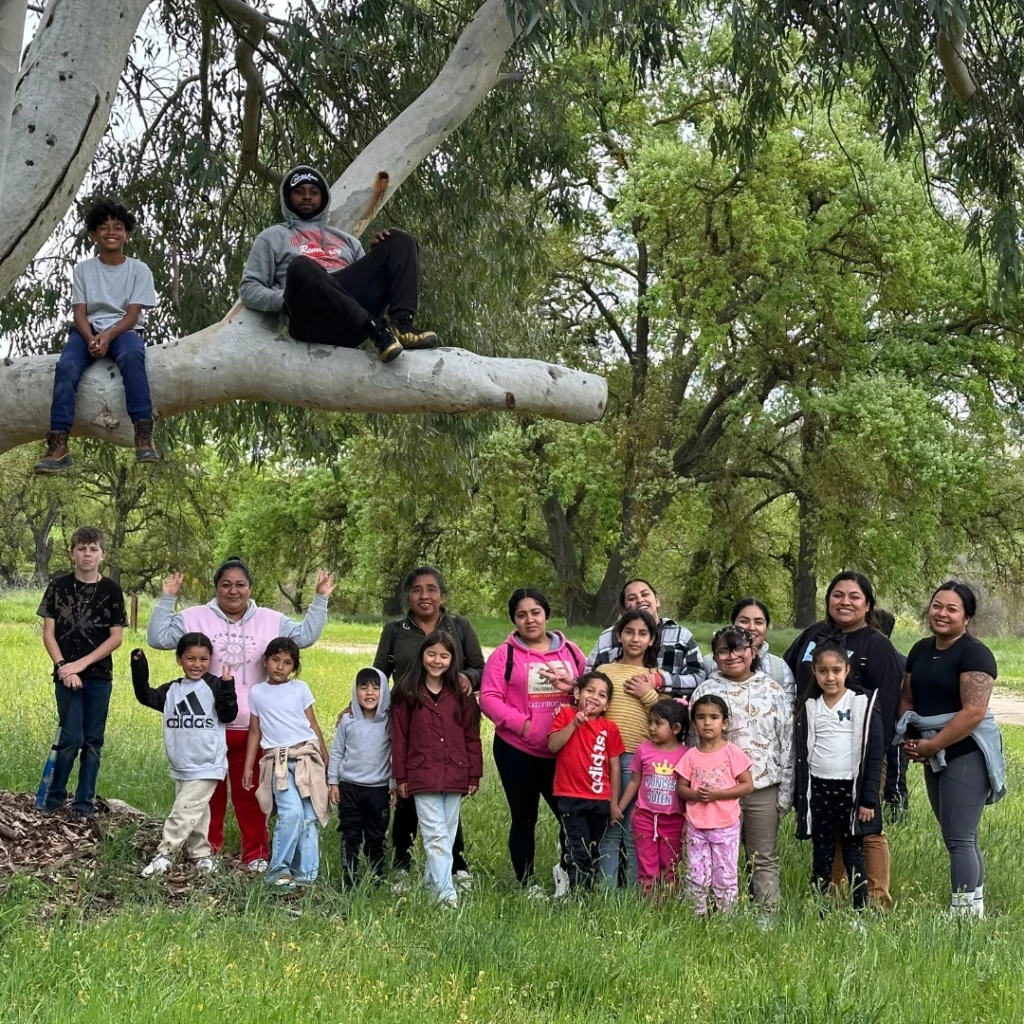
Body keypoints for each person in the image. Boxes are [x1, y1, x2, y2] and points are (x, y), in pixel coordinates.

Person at [147, 558, 332, 871]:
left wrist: (320, 598)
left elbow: (305, 636)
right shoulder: (195, 617)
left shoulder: (271, 620)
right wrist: (167, 598)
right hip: (209, 727)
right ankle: (208, 852)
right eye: (225, 584)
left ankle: (256, 854)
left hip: (255, 728)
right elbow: (157, 638)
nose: (233, 591)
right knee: (210, 795)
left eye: (240, 584)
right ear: (216, 587)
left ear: (250, 588)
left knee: (251, 794)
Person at [784, 571, 904, 908]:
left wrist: (879, 756)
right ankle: (835, 894)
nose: (845, 602)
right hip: (821, 753)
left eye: (854, 596)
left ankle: (877, 898)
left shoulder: (877, 646)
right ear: (828, 601)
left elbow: (889, 703)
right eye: (838, 595)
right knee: (832, 826)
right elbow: (788, 674)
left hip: (864, 753)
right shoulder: (813, 636)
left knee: (866, 822)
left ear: (867, 604)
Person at [239, 164, 437, 362]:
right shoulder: (272, 237)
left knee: (399, 240)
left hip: (352, 323)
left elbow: (364, 286)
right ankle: (375, 329)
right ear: (288, 198)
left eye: (314, 192)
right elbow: (249, 289)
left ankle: (402, 325)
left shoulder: (348, 240)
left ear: (323, 198)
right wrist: (286, 300)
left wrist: (380, 254)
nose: (307, 196)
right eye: (299, 192)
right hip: (312, 319)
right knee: (301, 266)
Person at [897, 582, 1006, 918]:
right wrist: (911, 737)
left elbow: (973, 712)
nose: (941, 614)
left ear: (967, 617)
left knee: (959, 836)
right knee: (955, 834)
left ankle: (961, 916)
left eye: (951, 609)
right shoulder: (919, 649)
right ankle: (973, 911)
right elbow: (907, 699)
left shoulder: (974, 654)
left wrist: (933, 745)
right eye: (936, 605)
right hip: (933, 750)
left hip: (965, 752)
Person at [373, 566, 484, 885]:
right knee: (409, 794)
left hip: (450, 718)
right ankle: (402, 861)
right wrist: (357, 705)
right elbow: (379, 673)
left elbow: (479, 666)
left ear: (442, 595)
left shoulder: (460, 627)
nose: (424, 595)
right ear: (408, 596)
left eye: (432, 589)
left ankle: (454, 864)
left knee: (448, 793)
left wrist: (467, 677)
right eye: (417, 589)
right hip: (411, 718)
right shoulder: (395, 630)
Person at [34, 198, 159, 474]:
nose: (111, 232)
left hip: (124, 329)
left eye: (118, 227)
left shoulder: (139, 270)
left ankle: (143, 435)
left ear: (127, 234)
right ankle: (58, 444)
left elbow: (131, 315)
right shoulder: (83, 269)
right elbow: (79, 313)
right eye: (104, 227)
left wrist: (108, 336)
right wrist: (91, 337)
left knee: (132, 354)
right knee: (66, 366)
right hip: (86, 330)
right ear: (93, 234)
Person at [479, 587, 586, 899]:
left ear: (547, 615)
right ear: (514, 619)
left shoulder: (571, 652)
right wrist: (523, 725)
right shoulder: (504, 655)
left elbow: (588, 687)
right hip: (517, 751)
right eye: (521, 614)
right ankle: (527, 882)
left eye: (535, 612)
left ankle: (566, 873)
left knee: (569, 814)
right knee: (524, 817)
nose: (529, 620)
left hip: (563, 750)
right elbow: (489, 699)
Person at [689, 625, 793, 913]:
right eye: (723, 650)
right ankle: (717, 912)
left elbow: (786, 741)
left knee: (763, 856)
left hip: (761, 787)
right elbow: (692, 744)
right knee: (718, 854)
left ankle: (765, 916)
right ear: (715, 655)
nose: (732, 656)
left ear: (753, 651)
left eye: (739, 649)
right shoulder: (706, 691)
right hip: (715, 793)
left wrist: (786, 790)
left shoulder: (771, 689)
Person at [37, 526, 126, 816]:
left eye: (93, 549)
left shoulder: (112, 590)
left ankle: (83, 804)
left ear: (102, 554)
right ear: (72, 553)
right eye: (81, 549)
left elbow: (116, 637)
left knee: (92, 741)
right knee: (70, 738)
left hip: (98, 675)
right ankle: (54, 798)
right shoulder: (58, 587)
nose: (87, 555)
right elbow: (48, 633)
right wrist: (64, 667)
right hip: (65, 674)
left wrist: (81, 665)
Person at [130, 638, 238, 877]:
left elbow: (228, 714)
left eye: (203, 659)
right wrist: (139, 666)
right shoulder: (172, 690)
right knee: (196, 812)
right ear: (179, 659)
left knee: (184, 810)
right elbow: (145, 696)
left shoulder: (215, 686)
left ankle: (165, 854)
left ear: (210, 660)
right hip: (181, 762)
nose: (197, 664)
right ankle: (202, 854)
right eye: (191, 658)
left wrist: (228, 687)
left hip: (208, 762)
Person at [390, 632, 482, 907]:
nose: (437, 661)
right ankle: (447, 895)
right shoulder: (407, 692)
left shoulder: (461, 695)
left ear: (453, 659)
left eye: (444, 655)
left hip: (456, 773)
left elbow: (471, 736)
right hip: (421, 774)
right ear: (422, 655)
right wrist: (401, 776)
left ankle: (431, 885)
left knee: (447, 833)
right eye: (431, 654)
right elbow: (399, 737)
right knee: (435, 835)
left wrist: (474, 773)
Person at [793, 642, 884, 911]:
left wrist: (868, 800)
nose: (829, 677)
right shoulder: (809, 706)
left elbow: (874, 753)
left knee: (852, 850)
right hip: (819, 787)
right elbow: (801, 753)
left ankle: (859, 908)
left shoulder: (861, 703)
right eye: (823, 671)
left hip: (850, 789)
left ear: (847, 670)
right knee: (821, 852)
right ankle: (821, 907)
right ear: (814, 671)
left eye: (836, 670)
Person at [242, 638, 330, 890]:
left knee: (309, 817)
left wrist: (324, 756)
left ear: (294, 667)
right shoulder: (257, 692)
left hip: (306, 757)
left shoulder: (300, 688)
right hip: (278, 760)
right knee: (291, 812)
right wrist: (249, 766)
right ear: (265, 661)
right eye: (275, 660)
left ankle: (307, 876)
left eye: (287, 662)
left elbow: (312, 724)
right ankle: (278, 870)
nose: (280, 666)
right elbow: (255, 732)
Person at [595, 608, 663, 889]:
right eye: (629, 632)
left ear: (651, 640)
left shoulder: (654, 675)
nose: (635, 639)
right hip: (603, 757)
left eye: (643, 633)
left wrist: (648, 694)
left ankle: (639, 892)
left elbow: (663, 718)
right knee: (608, 829)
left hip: (638, 760)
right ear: (619, 636)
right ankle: (606, 891)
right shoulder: (604, 671)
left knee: (635, 828)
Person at [676, 694, 753, 914]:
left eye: (714, 717)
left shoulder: (732, 753)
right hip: (696, 826)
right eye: (701, 717)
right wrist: (696, 795)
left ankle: (725, 918)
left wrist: (718, 794)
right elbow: (681, 787)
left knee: (725, 874)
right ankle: (697, 916)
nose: (707, 722)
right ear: (693, 723)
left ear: (725, 723)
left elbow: (747, 785)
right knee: (696, 874)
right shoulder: (691, 755)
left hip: (725, 825)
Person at [547, 671, 624, 893]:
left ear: (607, 704)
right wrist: (573, 724)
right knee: (578, 850)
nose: (594, 697)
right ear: (577, 693)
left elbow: (615, 767)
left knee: (592, 849)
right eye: (590, 691)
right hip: (571, 797)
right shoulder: (565, 715)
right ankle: (576, 896)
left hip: (600, 800)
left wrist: (614, 803)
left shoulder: (610, 728)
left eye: (602, 695)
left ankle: (583, 891)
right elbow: (553, 746)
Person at [587, 579, 705, 699]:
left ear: (657, 601)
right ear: (623, 610)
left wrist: (660, 681)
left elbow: (699, 677)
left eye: (645, 594)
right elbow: (589, 676)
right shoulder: (608, 636)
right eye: (632, 598)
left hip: (666, 713)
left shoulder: (681, 636)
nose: (640, 600)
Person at [328, 667, 393, 887]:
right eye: (363, 687)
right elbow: (337, 752)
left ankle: (377, 878)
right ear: (355, 691)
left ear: (384, 691)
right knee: (350, 834)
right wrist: (333, 782)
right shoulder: (347, 720)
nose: (369, 692)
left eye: (376, 687)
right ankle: (350, 878)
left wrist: (393, 785)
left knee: (376, 836)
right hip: (349, 789)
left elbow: (395, 756)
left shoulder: (389, 722)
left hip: (379, 790)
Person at [616, 700, 688, 895]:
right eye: (650, 722)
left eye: (658, 723)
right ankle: (649, 907)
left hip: (673, 820)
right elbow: (634, 782)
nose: (651, 728)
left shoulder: (687, 755)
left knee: (670, 866)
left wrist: (687, 822)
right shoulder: (643, 749)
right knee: (647, 865)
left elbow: (688, 793)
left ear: (675, 728)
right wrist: (619, 808)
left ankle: (669, 907)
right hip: (645, 818)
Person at [703, 598, 795, 700]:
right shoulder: (709, 664)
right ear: (732, 624)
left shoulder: (779, 668)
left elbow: (788, 709)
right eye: (744, 621)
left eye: (758, 622)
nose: (751, 627)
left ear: (767, 627)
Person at [875, 608, 910, 819]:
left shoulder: (899, 661)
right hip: (880, 726)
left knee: (896, 776)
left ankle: (898, 815)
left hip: (895, 727)